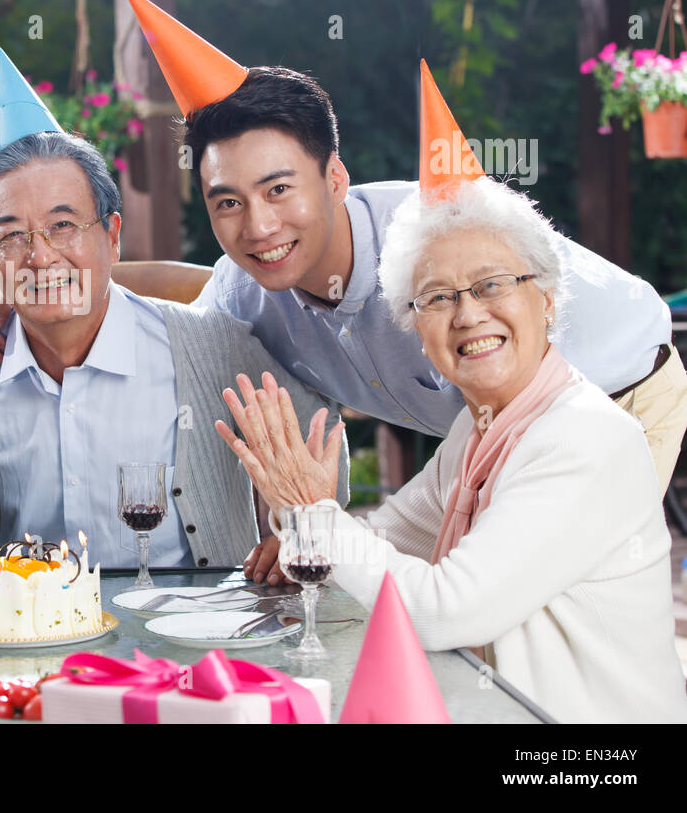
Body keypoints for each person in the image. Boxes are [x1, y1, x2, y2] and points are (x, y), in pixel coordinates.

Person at [0, 0, 686, 578]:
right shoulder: (241, 292)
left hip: (614, 390)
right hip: (477, 432)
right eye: (226, 201)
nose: (257, 226)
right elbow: (151, 312)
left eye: (278, 190)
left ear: (335, 177)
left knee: (541, 602)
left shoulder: (436, 240)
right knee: (449, 602)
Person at [218, 176, 687, 724]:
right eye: (438, 297)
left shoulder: (584, 436)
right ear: (416, 330)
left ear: (548, 301)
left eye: (492, 285)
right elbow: (389, 539)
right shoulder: (480, 426)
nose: (467, 315)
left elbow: (445, 610)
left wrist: (314, 514)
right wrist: (308, 529)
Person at [0, 49, 347, 570]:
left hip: (185, 632)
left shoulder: (213, 349)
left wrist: (290, 527)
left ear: (112, 236)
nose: (40, 257)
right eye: (12, 235)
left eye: (64, 226)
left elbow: (319, 438)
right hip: (15, 637)